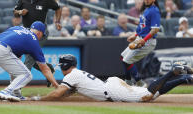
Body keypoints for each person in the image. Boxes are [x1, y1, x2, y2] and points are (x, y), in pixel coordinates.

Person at [29, 54, 193, 102]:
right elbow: (65, 93)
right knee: (152, 95)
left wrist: (41, 99)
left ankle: (173, 72)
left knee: (148, 95)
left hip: (112, 90)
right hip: (112, 85)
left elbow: (58, 94)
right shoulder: (75, 74)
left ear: (65, 66)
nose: (60, 69)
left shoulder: (72, 75)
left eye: (60, 66)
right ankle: (183, 79)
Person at [0, 21, 59, 102]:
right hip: (1, 50)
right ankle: (5, 92)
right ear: (39, 33)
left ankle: (15, 93)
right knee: (27, 75)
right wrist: (56, 85)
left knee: (18, 70)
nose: (41, 38)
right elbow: (45, 69)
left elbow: (15, 65)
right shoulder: (33, 41)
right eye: (42, 35)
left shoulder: (18, 27)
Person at [13, 0, 62, 87]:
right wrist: (20, 12)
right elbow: (15, 12)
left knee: (29, 58)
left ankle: (16, 87)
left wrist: (57, 21)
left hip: (40, 33)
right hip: (27, 32)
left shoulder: (46, 1)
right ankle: (49, 69)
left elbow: (58, 8)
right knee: (34, 58)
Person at [120, 0, 160, 86]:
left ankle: (140, 83)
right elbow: (142, 27)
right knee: (123, 57)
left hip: (148, 41)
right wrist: (135, 35)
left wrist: (144, 40)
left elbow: (155, 29)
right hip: (140, 38)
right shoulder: (146, 9)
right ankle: (128, 81)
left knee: (127, 61)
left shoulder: (154, 11)